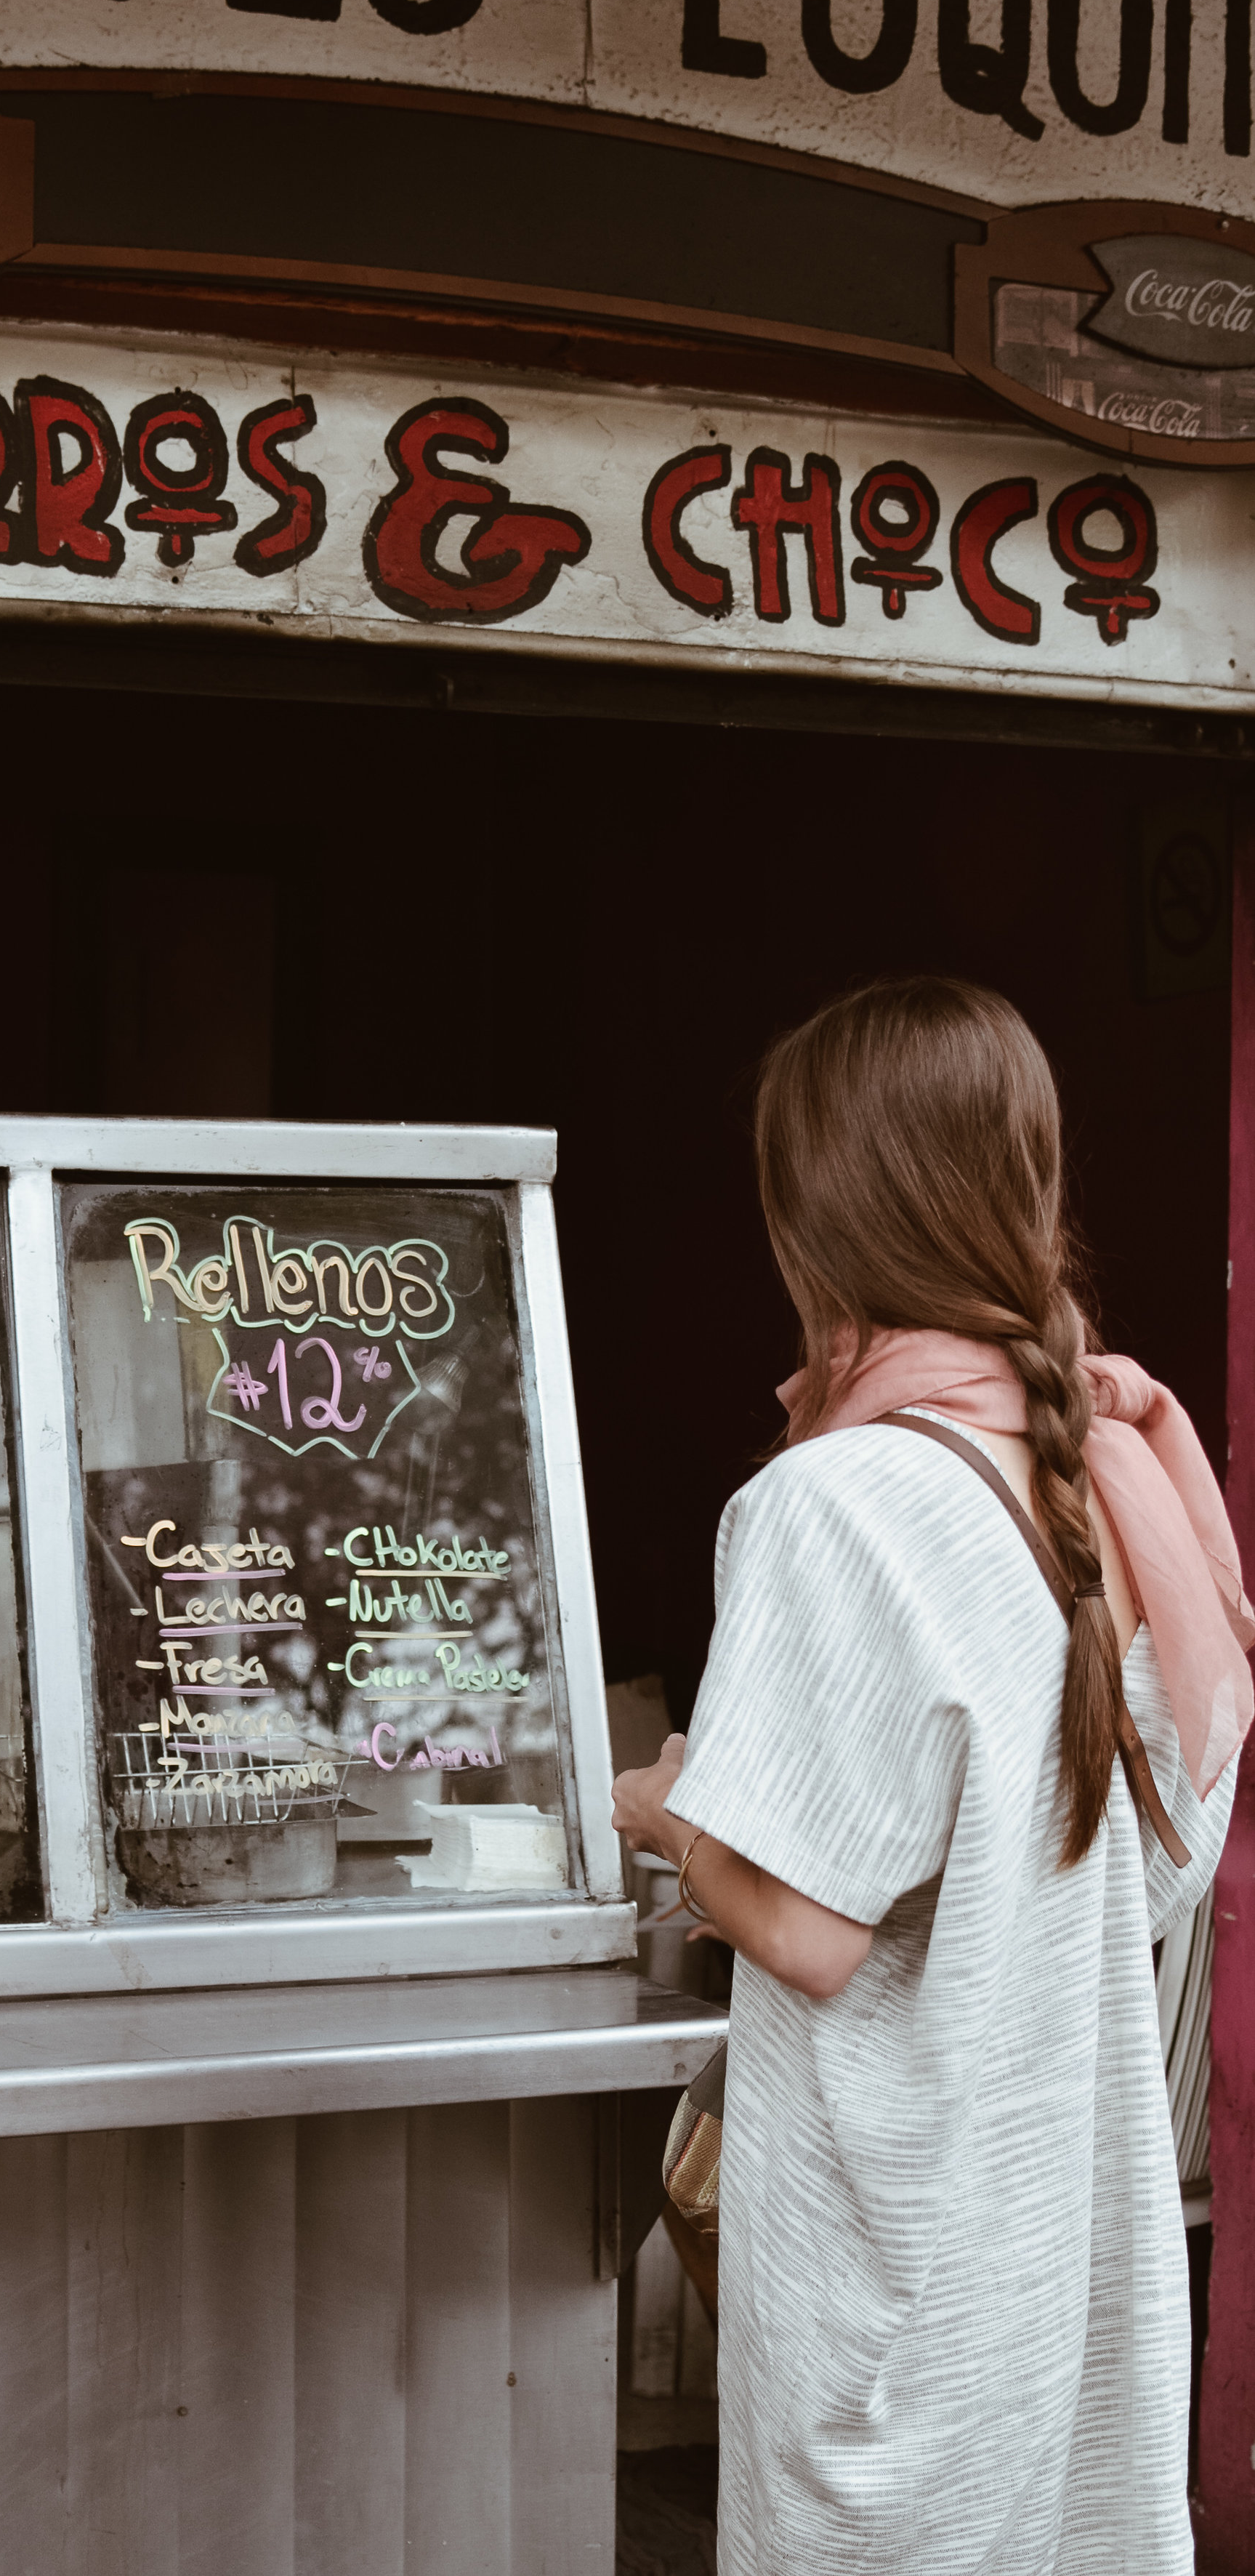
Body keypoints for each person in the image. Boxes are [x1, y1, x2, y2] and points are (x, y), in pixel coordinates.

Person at [612, 975, 1253, 2575]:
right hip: (1061, 2312)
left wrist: (662, 1803)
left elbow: (805, 1922)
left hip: (896, 2339)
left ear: (809, 1219)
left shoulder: (835, 1502)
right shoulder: (1100, 1487)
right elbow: (1154, 1870)